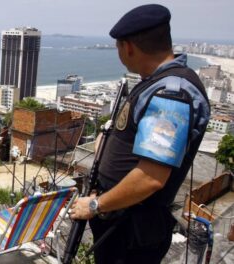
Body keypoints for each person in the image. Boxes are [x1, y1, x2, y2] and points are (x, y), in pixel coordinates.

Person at [69, 4, 210, 263]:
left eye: (118, 47)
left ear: (129, 47)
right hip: (121, 223)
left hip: (132, 232)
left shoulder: (170, 95)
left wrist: (94, 205)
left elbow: (150, 177)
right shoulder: (154, 84)